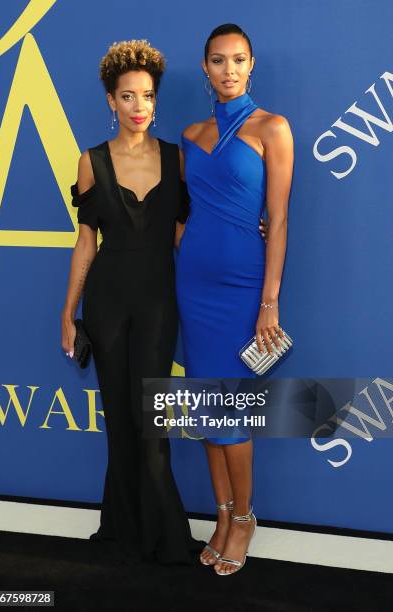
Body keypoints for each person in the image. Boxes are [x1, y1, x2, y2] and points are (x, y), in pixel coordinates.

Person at [61, 39, 203, 565]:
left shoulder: (177, 158)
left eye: (147, 96)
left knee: (152, 424)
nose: (139, 106)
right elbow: (85, 242)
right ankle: (122, 529)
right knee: (119, 421)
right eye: (128, 96)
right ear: (110, 100)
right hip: (106, 301)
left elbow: (187, 234)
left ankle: (164, 537)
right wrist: (67, 313)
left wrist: (243, 236)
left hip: (158, 302)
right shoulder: (91, 161)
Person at [176, 24, 294, 575]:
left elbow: (280, 218)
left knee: (233, 413)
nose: (228, 70)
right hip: (192, 284)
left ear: (251, 66)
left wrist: (268, 301)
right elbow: (185, 215)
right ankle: (221, 515)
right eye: (218, 61)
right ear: (205, 67)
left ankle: (244, 518)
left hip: (244, 289)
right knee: (206, 408)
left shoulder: (273, 128)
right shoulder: (189, 134)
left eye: (238, 60)